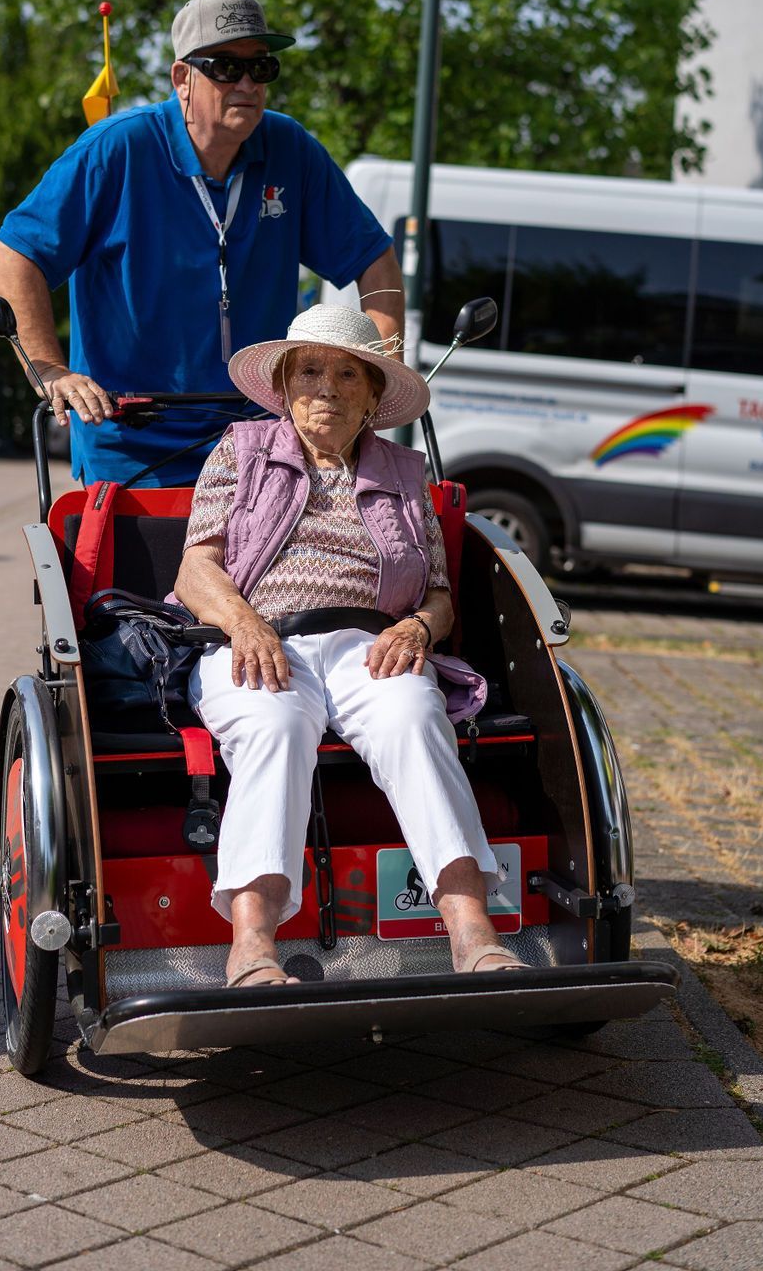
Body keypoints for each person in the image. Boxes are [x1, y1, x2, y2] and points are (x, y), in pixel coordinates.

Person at [173, 303, 526, 989]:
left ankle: (473, 935)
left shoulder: (404, 472)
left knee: (415, 716)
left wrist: (418, 627)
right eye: (309, 371)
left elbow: (440, 594)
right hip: (260, 635)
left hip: (371, 645)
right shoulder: (243, 450)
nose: (326, 389)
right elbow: (195, 568)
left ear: (371, 396)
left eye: (347, 375)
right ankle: (251, 949)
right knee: (274, 725)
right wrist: (245, 623)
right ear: (285, 385)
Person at [0, 0, 403, 485]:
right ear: (182, 78)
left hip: (260, 439)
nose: (247, 83)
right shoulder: (118, 148)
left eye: (261, 67)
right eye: (226, 67)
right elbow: (13, 255)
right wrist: (50, 370)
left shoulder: (290, 148)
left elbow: (375, 260)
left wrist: (381, 373)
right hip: (132, 443)